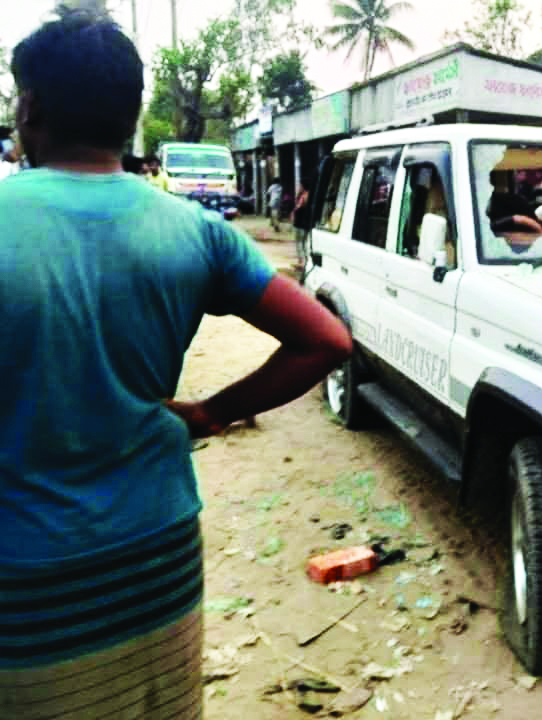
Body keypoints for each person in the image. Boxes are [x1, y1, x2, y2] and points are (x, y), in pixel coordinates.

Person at [0, 12, 352, 718]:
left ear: (30, 107)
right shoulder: (194, 229)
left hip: (29, 582)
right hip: (160, 560)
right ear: (131, 116)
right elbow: (327, 341)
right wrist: (209, 413)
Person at [291, 178, 311, 268]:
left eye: (300, 186)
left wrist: (293, 213)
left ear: (303, 186)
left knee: (299, 242)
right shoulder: (310, 195)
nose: (299, 187)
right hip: (307, 223)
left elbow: (298, 207)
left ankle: (301, 262)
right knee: (305, 242)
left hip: (299, 222)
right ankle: (306, 261)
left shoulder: (303, 196)